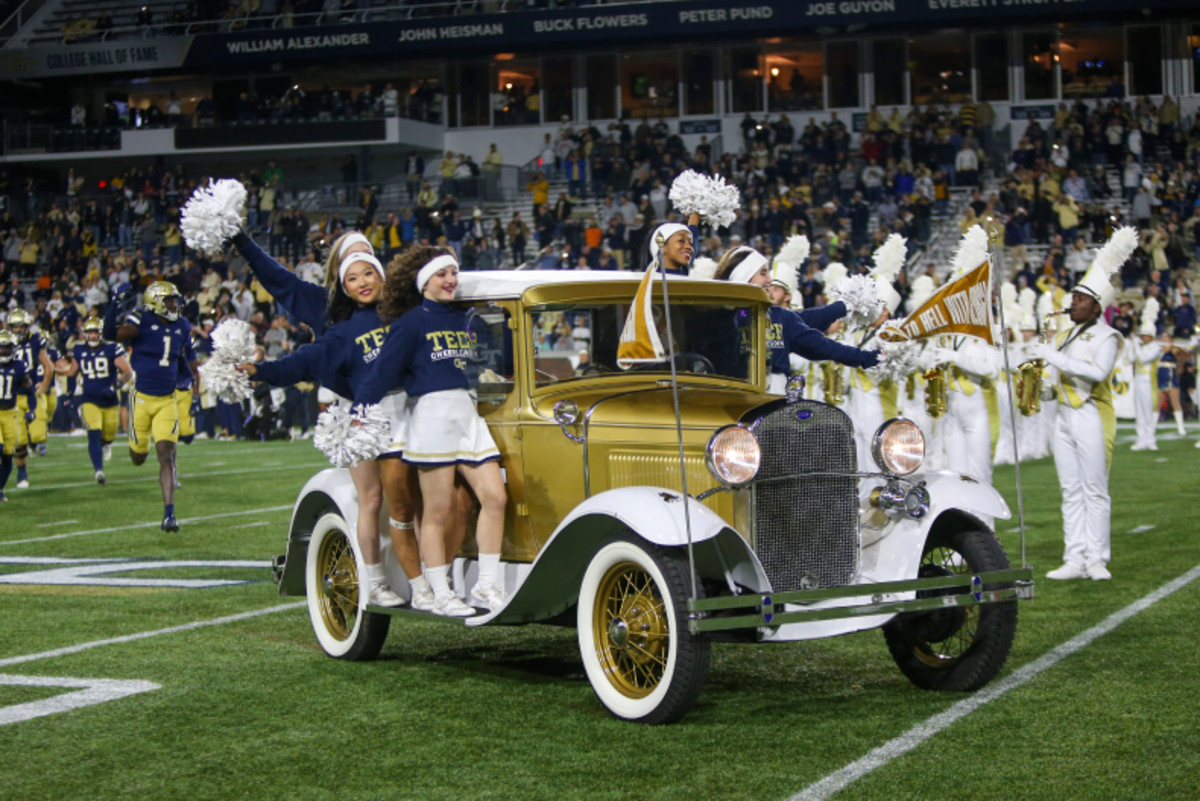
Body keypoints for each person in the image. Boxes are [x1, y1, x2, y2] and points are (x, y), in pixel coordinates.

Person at [356, 248, 509, 618]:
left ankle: (487, 584)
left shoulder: (466, 319)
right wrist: (358, 412)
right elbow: (380, 375)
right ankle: (440, 592)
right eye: (442, 274)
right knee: (436, 512)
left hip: (468, 414)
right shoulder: (409, 324)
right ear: (425, 281)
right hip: (432, 416)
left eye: (454, 273)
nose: (451, 280)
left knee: (495, 497)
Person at [1027, 233, 1130, 581]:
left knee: (1095, 490)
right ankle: (1074, 558)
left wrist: (1052, 356)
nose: (1072, 302)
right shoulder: (1063, 335)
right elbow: (1059, 374)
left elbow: (1098, 372)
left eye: (1080, 299)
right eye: (1073, 296)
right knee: (1070, 489)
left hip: (1091, 415)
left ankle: (1097, 558)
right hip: (1063, 417)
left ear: (1097, 307)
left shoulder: (1108, 336)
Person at [708, 245, 879, 395]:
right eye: (763, 273)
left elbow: (824, 346)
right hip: (732, 400)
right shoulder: (718, 318)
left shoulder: (780, 317)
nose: (769, 279)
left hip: (775, 402)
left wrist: (871, 358)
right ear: (744, 276)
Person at [103, 281, 199, 532]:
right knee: (138, 457)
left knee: (165, 455)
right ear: (156, 301)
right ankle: (136, 446)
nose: (174, 305)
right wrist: (114, 303)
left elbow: (189, 361)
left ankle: (170, 515)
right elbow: (110, 334)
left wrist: (193, 389)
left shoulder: (182, 326)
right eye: (169, 300)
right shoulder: (141, 320)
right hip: (142, 400)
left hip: (168, 400)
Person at [66, 317, 131, 484]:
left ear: (101, 333)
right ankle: (99, 470)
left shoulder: (112, 348)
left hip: (109, 400)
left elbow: (127, 371)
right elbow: (73, 372)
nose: (93, 336)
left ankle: (107, 444)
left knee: (109, 434)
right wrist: (69, 392)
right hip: (89, 399)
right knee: (93, 432)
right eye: (90, 332)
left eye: (96, 332)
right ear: (85, 334)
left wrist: (114, 386)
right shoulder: (79, 350)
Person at [7, 308, 57, 486]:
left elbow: (48, 366)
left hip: (31, 394)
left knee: (38, 436)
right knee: (18, 440)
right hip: (11, 396)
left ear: (27, 326)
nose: (18, 329)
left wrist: (44, 384)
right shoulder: (4, 342)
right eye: (15, 326)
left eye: (21, 326)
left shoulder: (36, 341)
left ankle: (34, 445)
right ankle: (22, 473)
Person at [0, 331, 37, 503]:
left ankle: (0, 489)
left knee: (8, 455)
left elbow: (30, 391)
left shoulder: (19, 366)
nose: (4, 351)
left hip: (10, 413)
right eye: (1, 348)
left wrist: (32, 410)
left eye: (7, 348)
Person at [1129, 299, 1166, 451]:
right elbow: (1131, 359)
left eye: (1145, 335)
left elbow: (1144, 359)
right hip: (1138, 382)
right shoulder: (1140, 346)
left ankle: (1150, 439)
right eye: (1142, 335)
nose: (1143, 337)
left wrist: (1136, 347)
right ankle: (1141, 438)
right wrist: (1133, 346)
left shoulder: (1156, 348)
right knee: (1140, 412)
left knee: (1149, 412)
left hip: (1149, 384)